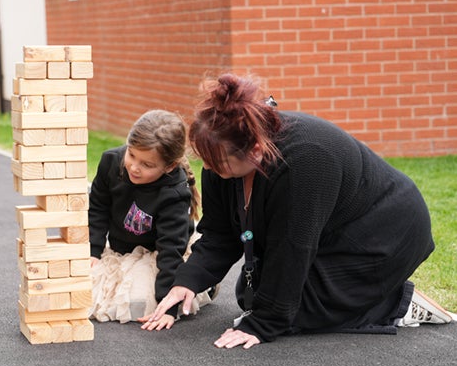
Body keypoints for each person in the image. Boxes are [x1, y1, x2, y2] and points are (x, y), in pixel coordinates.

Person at [147, 73, 454, 348]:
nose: (211, 169)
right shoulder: (222, 158)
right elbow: (219, 234)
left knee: (292, 310)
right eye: (205, 159)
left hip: (385, 231)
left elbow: (293, 247)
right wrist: (186, 282)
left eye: (219, 163)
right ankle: (357, 297)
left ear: (254, 151)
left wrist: (264, 325)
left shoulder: (304, 162)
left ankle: (396, 302)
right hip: (328, 230)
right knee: (250, 295)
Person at [88, 109, 214, 330]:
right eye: (132, 155)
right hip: (119, 249)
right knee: (84, 294)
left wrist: (168, 309)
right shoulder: (110, 162)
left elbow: (170, 248)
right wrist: (93, 250)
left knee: (141, 306)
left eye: (147, 165)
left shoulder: (173, 193)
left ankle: (205, 287)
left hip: (157, 254)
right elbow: (98, 208)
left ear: (169, 166)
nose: (134, 167)